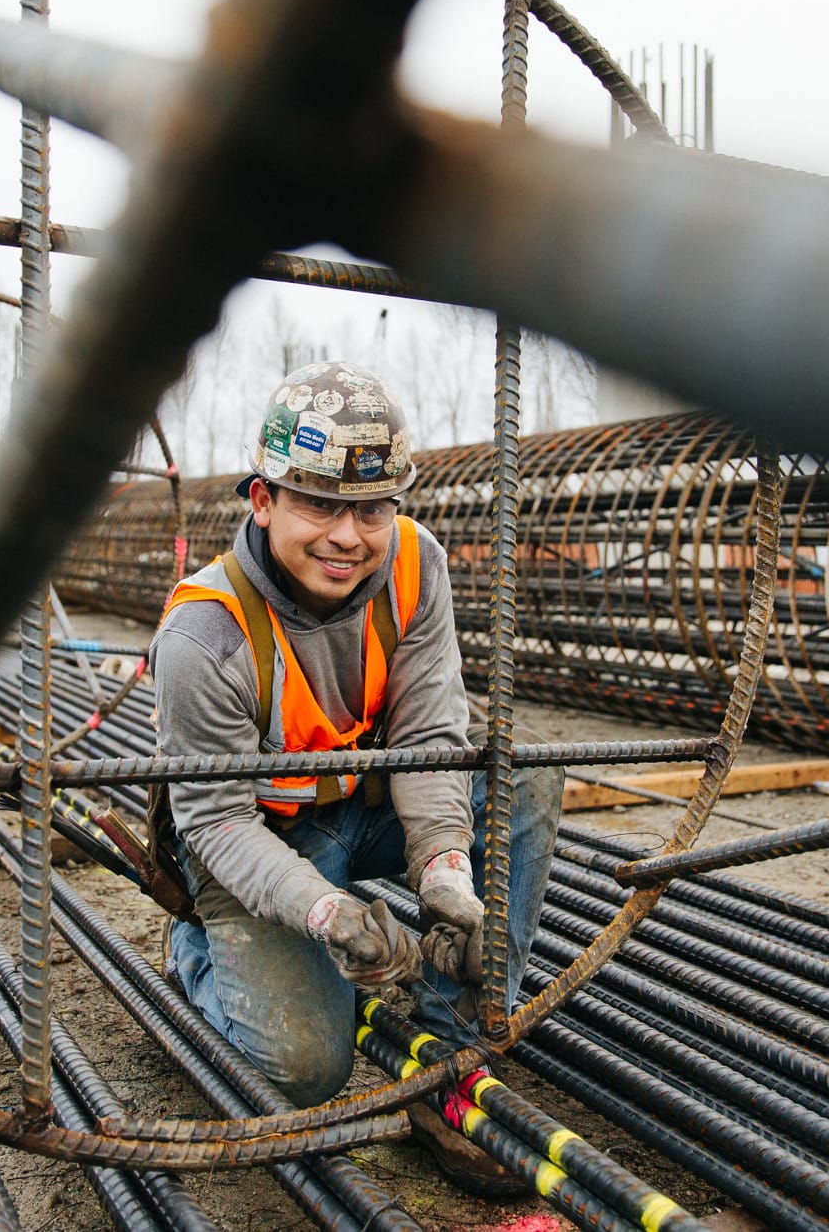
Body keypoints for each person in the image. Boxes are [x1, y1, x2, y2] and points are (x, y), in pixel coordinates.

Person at [149, 361, 561, 1197]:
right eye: (319, 504)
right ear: (263, 501)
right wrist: (328, 913)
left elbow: (431, 733)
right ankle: (195, 954)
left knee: (526, 770)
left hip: (362, 806)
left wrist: (448, 875)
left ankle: (451, 1058)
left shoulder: (415, 565)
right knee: (305, 1068)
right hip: (255, 841)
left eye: (371, 507)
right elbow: (218, 822)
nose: (348, 534)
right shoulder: (205, 633)